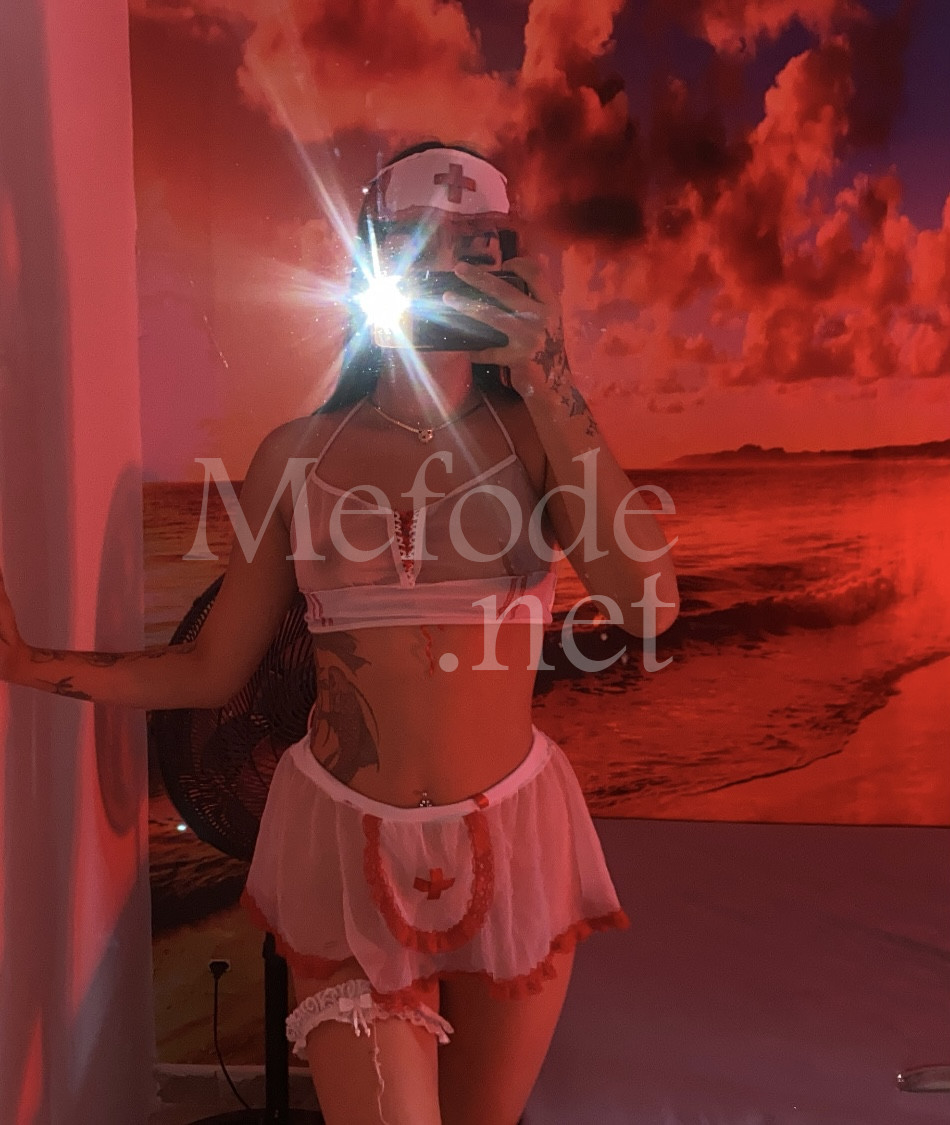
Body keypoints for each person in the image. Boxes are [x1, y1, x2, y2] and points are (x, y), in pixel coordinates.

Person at [0, 142, 680, 1124]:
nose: (439, 269)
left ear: (506, 263)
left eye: (470, 246)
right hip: (341, 844)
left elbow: (648, 605)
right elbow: (211, 669)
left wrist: (548, 374)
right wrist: (30, 666)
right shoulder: (298, 455)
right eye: (409, 244)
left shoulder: (536, 438)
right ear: (369, 262)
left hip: (515, 838)